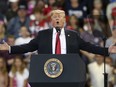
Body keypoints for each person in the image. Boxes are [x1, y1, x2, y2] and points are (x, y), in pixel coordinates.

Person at [0, 9, 116, 87]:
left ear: (64, 21)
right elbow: (29, 47)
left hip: (69, 74)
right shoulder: (43, 34)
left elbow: (88, 47)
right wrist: (10, 49)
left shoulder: (73, 35)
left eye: (60, 17)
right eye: (55, 17)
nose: (57, 19)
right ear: (51, 21)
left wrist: (107, 50)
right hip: (48, 74)